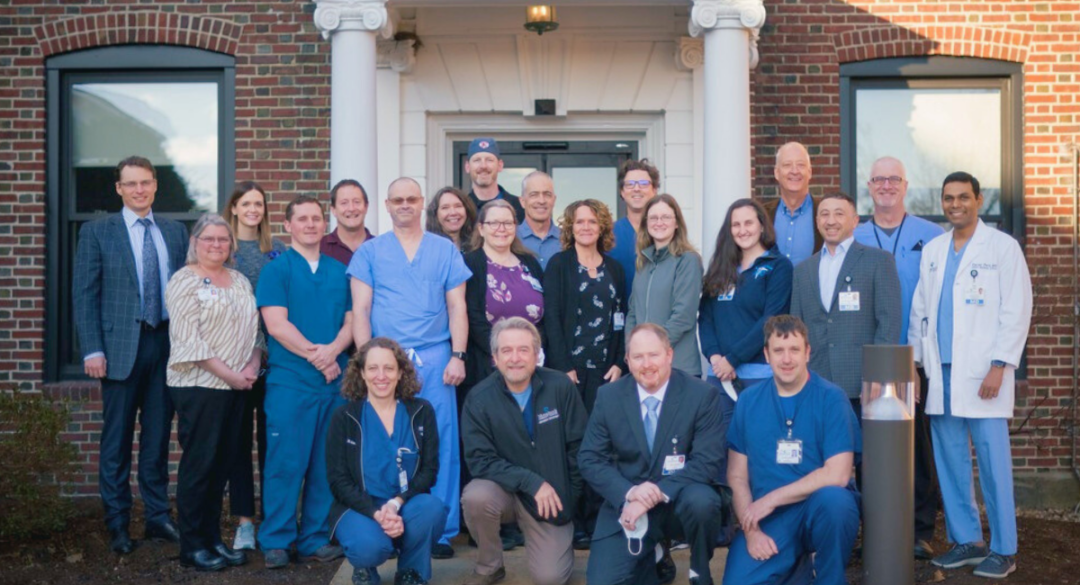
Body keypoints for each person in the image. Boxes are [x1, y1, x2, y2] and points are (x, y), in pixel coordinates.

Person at [909, 172, 1032, 579]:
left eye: (964, 197)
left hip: (984, 374)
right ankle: (968, 541)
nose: (955, 204)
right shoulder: (935, 249)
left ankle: (1004, 548)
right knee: (950, 461)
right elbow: (920, 309)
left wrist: (1000, 364)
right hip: (940, 372)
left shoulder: (1001, 247)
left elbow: (1017, 309)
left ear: (978, 200)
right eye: (948, 198)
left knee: (994, 464)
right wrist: (915, 362)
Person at [350, 177, 473, 559]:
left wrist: (459, 354)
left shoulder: (444, 250)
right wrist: (366, 362)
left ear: (422, 203)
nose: (404, 205)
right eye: (397, 200)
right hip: (387, 359)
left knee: (441, 442)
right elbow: (362, 310)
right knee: (387, 441)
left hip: (436, 357)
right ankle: (389, 526)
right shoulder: (370, 252)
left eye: (411, 199)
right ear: (386, 205)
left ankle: (438, 529)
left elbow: (457, 306)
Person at [73, 155, 188, 554]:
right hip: (119, 348)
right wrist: (92, 348)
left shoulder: (174, 232)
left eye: (146, 182)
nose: (139, 190)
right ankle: (118, 523)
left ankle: (157, 517)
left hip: (164, 345)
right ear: (119, 189)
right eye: (131, 184)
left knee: (157, 440)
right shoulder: (98, 232)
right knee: (117, 441)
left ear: (155, 185)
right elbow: (85, 295)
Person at [579, 324, 727, 585]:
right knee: (603, 581)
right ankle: (654, 555)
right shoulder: (608, 396)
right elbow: (590, 459)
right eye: (637, 357)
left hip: (679, 500)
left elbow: (707, 461)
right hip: (628, 503)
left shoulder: (702, 395)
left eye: (654, 355)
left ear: (669, 355)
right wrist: (629, 493)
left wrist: (652, 495)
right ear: (627, 360)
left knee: (704, 502)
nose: (646, 364)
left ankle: (699, 569)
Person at [722, 315, 861, 585]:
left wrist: (771, 499)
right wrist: (751, 532)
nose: (787, 359)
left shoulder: (831, 398)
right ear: (766, 355)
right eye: (778, 351)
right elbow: (736, 476)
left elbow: (838, 474)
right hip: (771, 521)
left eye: (794, 350)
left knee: (836, 502)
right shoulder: (749, 401)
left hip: (816, 509)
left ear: (808, 352)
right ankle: (798, 571)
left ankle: (828, 578)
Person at [853, 156, 945, 559]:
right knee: (867, 449)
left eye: (894, 179)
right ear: (869, 187)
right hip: (868, 356)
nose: (886, 185)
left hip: (916, 358)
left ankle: (920, 530)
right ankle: (871, 531)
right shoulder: (853, 235)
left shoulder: (932, 235)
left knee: (919, 448)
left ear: (906, 185)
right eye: (879, 180)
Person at [256, 195, 353, 568]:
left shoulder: (338, 270)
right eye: (303, 219)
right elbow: (276, 325)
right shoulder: (277, 270)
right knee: (285, 462)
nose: (311, 224)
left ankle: (313, 537)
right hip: (291, 383)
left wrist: (332, 354)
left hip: (334, 384)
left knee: (325, 465)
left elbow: (350, 322)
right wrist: (320, 357)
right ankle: (276, 540)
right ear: (288, 226)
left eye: (316, 218)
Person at [164, 214, 263, 571]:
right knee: (200, 467)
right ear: (196, 242)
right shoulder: (183, 281)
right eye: (209, 239)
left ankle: (213, 541)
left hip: (237, 386)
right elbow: (190, 341)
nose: (217, 245)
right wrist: (231, 376)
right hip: (200, 386)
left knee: (222, 466)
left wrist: (251, 367)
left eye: (223, 239)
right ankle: (192, 547)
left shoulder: (238, 280)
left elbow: (255, 332)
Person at [460, 318, 588, 585]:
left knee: (551, 578)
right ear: (494, 357)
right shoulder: (479, 398)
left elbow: (580, 449)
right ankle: (490, 566)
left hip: (550, 499)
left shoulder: (560, 387)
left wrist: (569, 498)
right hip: (504, 492)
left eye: (523, 350)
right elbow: (479, 461)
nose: (515, 358)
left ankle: (554, 542)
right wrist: (531, 481)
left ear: (536, 354)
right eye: (506, 351)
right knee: (476, 496)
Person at [326, 337, 446, 585]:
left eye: (389, 368)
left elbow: (429, 471)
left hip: (404, 503)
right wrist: (375, 512)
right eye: (373, 368)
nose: (381, 376)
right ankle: (365, 568)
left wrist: (395, 503)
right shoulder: (345, 417)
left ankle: (411, 571)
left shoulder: (421, 412)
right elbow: (338, 481)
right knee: (369, 547)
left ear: (401, 372)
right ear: (361, 372)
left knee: (431, 509)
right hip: (360, 507)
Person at [543, 199, 627, 550]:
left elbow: (620, 320)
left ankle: (597, 519)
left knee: (601, 447)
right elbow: (552, 318)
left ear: (602, 227)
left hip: (605, 374)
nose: (586, 227)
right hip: (570, 374)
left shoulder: (616, 268)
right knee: (571, 446)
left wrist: (619, 362)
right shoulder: (560, 265)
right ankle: (573, 520)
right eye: (579, 222)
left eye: (593, 221)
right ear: (570, 227)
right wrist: (564, 368)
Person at [699, 198, 793, 476]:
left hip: (758, 377)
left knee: (759, 452)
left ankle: (760, 516)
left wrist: (733, 359)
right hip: (719, 378)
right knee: (719, 452)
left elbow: (770, 321)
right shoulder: (720, 267)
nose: (742, 230)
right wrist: (715, 357)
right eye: (735, 224)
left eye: (748, 222)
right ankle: (728, 518)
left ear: (762, 225)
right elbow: (705, 318)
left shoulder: (777, 267)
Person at [223, 180, 287, 550]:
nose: (253, 210)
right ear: (233, 207)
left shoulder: (275, 250)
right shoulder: (222, 247)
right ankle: (245, 522)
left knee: (272, 444)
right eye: (246, 203)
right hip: (233, 363)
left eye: (259, 204)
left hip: (273, 362)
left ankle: (274, 520)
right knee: (237, 445)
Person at [790, 191, 902, 400]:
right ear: (817, 221)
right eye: (824, 214)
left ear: (855, 221)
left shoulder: (878, 261)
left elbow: (889, 323)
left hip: (862, 383)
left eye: (839, 214)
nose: (831, 221)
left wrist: (878, 375)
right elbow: (797, 328)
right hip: (814, 382)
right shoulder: (802, 271)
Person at [462, 199, 545, 409]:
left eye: (508, 223)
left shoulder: (530, 262)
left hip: (532, 362)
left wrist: (534, 351)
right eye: (494, 223)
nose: (502, 229)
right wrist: (503, 354)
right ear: (481, 229)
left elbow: (546, 313)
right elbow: (472, 316)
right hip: (489, 364)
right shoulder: (470, 263)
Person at [626, 194, 703, 377]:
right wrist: (631, 348)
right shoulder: (642, 262)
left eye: (666, 217)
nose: (659, 222)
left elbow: (683, 316)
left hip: (678, 367)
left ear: (677, 223)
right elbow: (632, 312)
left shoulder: (687, 261)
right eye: (653, 217)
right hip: (645, 368)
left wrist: (651, 350)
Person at [763, 142, 822, 265]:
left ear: (809, 172)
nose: (794, 171)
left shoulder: (824, 213)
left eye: (800, 165)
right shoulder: (762, 215)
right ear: (776, 173)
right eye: (787, 165)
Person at [610, 158, 660, 295]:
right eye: (630, 184)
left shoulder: (665, 232)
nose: (637, 188)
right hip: (619, 313)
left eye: (644, 183)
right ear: (622, 191)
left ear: (654, 189)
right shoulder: (608, 234)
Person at [465, 137, 526, 224]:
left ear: (500, 165)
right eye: (477, 160)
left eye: (489, 160)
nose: (483, 166)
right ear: (467, 167)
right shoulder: (462, 209)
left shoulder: (518, 206)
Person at [321, 179, 374, 266]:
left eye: (357, 202)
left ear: (366, 207)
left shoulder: (380, 248)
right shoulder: (320, 249)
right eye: (344, 203)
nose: (351, 208)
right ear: (333, 210)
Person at [516, 171, 562, 270]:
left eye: (547, 194)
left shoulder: (568, 239)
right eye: (534, 195)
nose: (541, 201)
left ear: (554, 200)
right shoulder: (510, 238)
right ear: (522, 201)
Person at [426, 186, 478, 252]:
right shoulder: (428, 248)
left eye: (458, 206)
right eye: (445, 207)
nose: (453, 212)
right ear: (435, 213)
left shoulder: (476, 247)